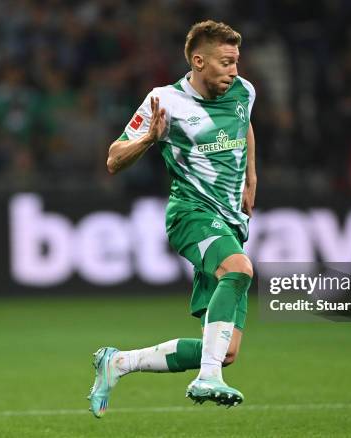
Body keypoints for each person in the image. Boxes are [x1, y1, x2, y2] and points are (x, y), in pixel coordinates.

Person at [88, 20, 257, 418]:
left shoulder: (243, 91)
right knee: (239, 269)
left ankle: (118, 362)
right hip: (191, 215)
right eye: (225, 61)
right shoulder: (164, 100)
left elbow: (246, 123)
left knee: (224, 351)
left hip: (231, 220)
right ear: (198, 61)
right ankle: (206, 379)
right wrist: (149, 139)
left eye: (236, 61)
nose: (234, 69)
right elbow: (114, 158)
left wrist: (252, 178)